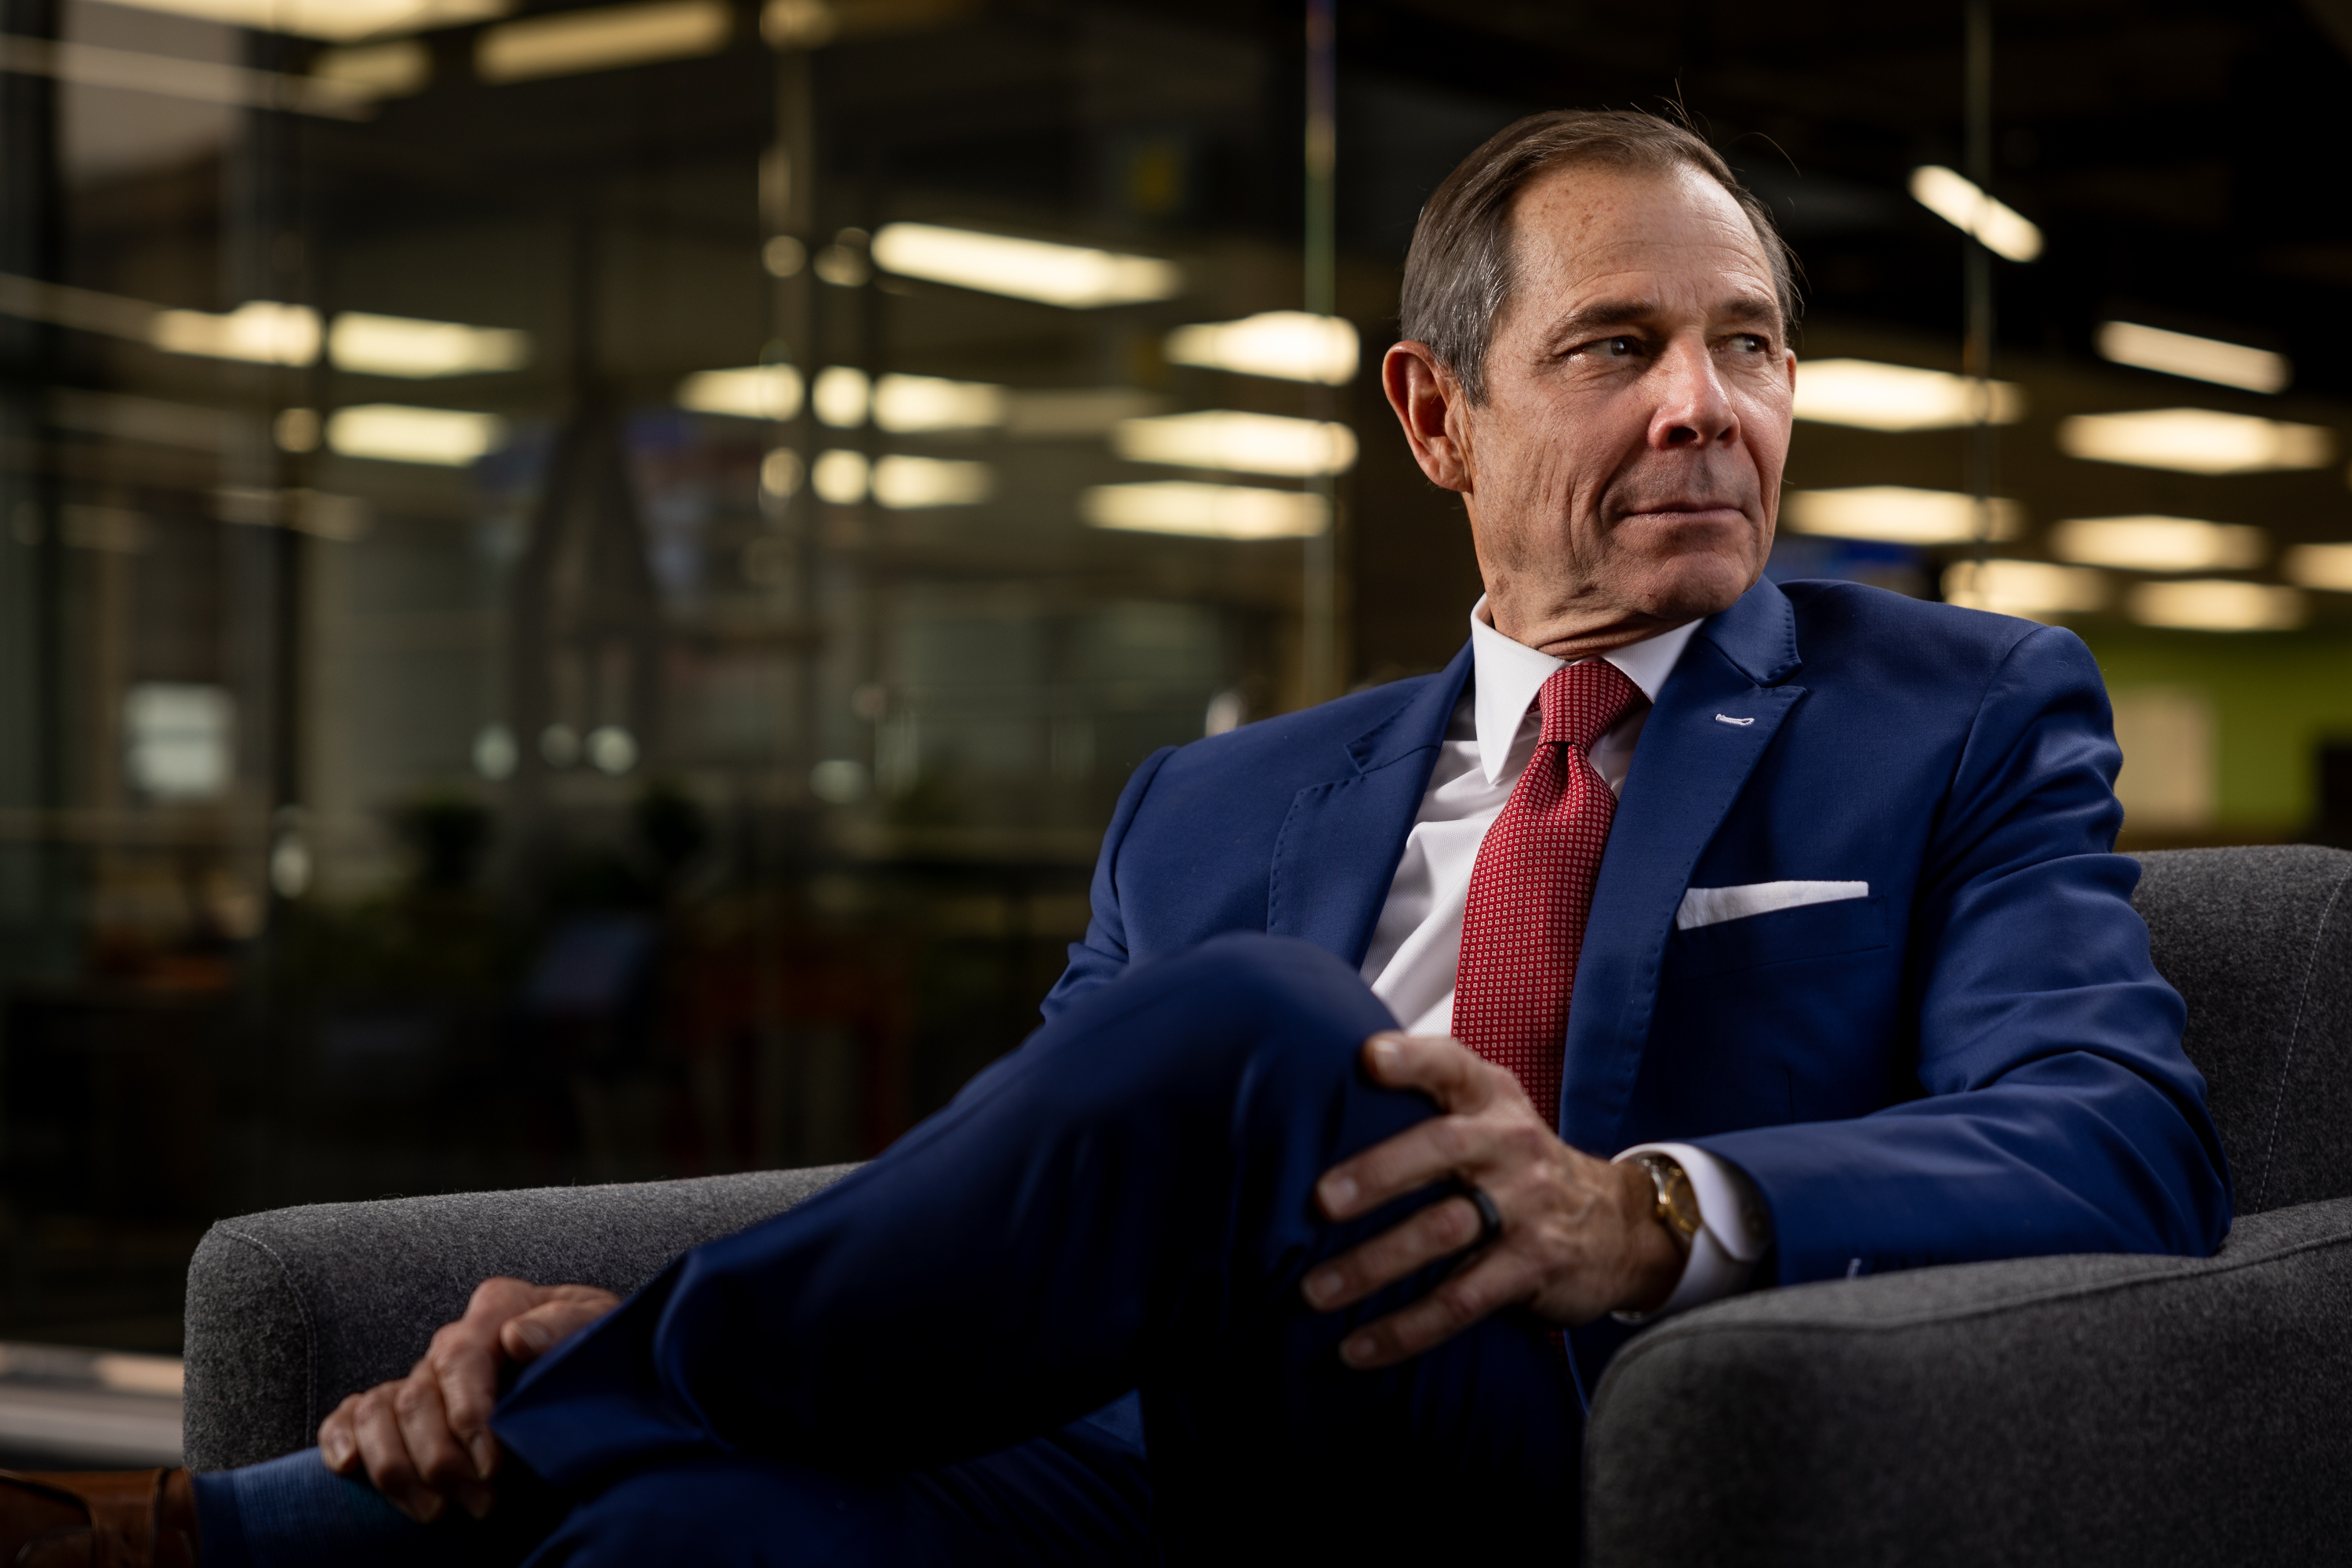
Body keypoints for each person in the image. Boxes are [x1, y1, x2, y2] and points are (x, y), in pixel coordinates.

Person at [0, 108, 2229, 1566]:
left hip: (1567, 1444)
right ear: (1433, 415)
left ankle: (277, 1517)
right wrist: (711, 1313)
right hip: (1151, 1466)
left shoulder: (1957, 706)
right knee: (669, 1542)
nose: (1706, 407)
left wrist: (1644, 1215)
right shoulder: (1223, 795)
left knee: (1267, 1028)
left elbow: (2119, 1141)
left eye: (1749, 346)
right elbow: (1042, 1176)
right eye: (1621, 344)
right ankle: (590, 1416)